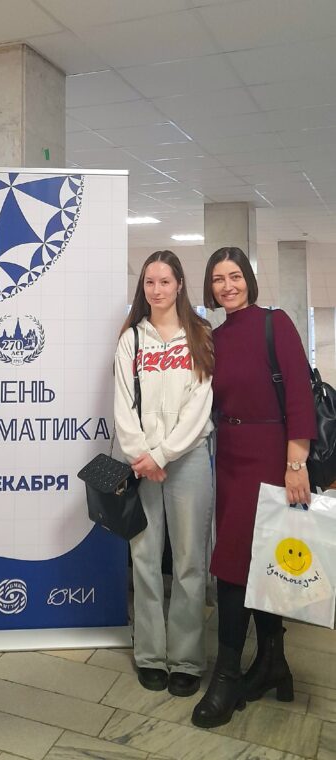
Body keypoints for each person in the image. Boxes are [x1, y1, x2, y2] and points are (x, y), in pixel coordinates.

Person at [192, 247, 316, 729]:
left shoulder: (274, 323)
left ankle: (226, 675)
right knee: (257, 560)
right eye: (218, 279)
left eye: (235, 276)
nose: (228, 286)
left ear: (249, 279)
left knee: (232, 565)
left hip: (272, 455)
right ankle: (271, 662)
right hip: (230, 456)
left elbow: (300, 395)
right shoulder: (214, 337)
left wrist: (295, 463)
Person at [114, 250, 214, 697]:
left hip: (187, 459)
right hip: (142, 464)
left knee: (190, 562)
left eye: (165, 282)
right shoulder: (131, 340)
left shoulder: (199, 335)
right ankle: (151, 655)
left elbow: (200, 405)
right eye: (149, 282)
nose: (157, 290)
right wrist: (144, 455)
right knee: (145, 559)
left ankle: (187, 660)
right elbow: (123, 404)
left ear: (179, 285)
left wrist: (164, 454)